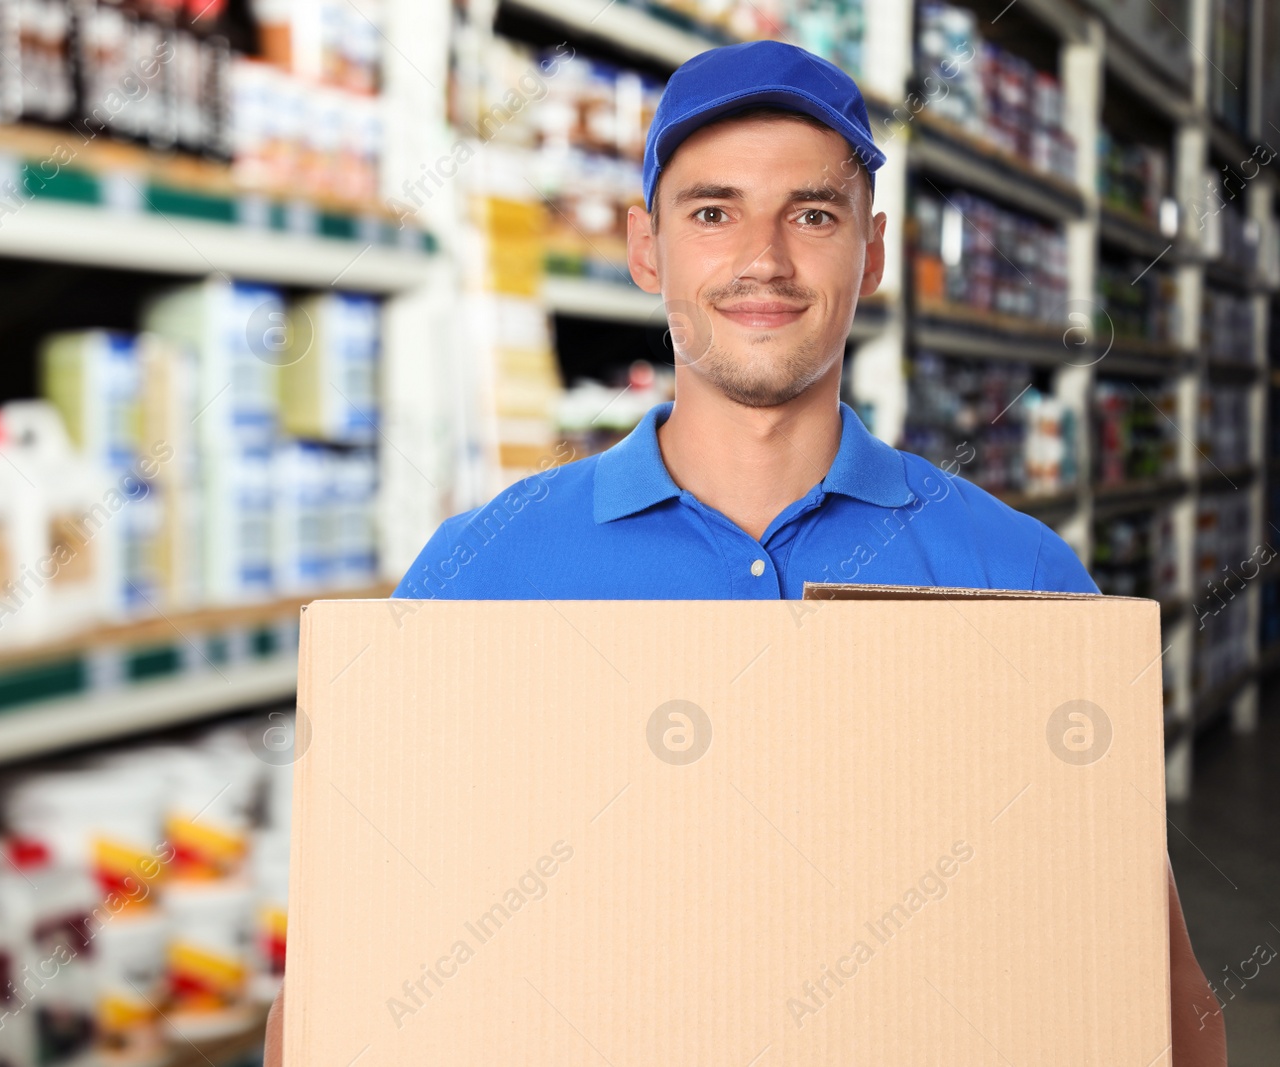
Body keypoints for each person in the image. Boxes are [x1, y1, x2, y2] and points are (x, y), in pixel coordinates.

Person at [264, 38, 1226, 1065]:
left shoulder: (1023, 584)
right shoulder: (477, 577)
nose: (762, 259)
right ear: (647, 248)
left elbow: (1152, 993)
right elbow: (339, 983)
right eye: (711, 211)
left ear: (872, 250)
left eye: (811, 214)